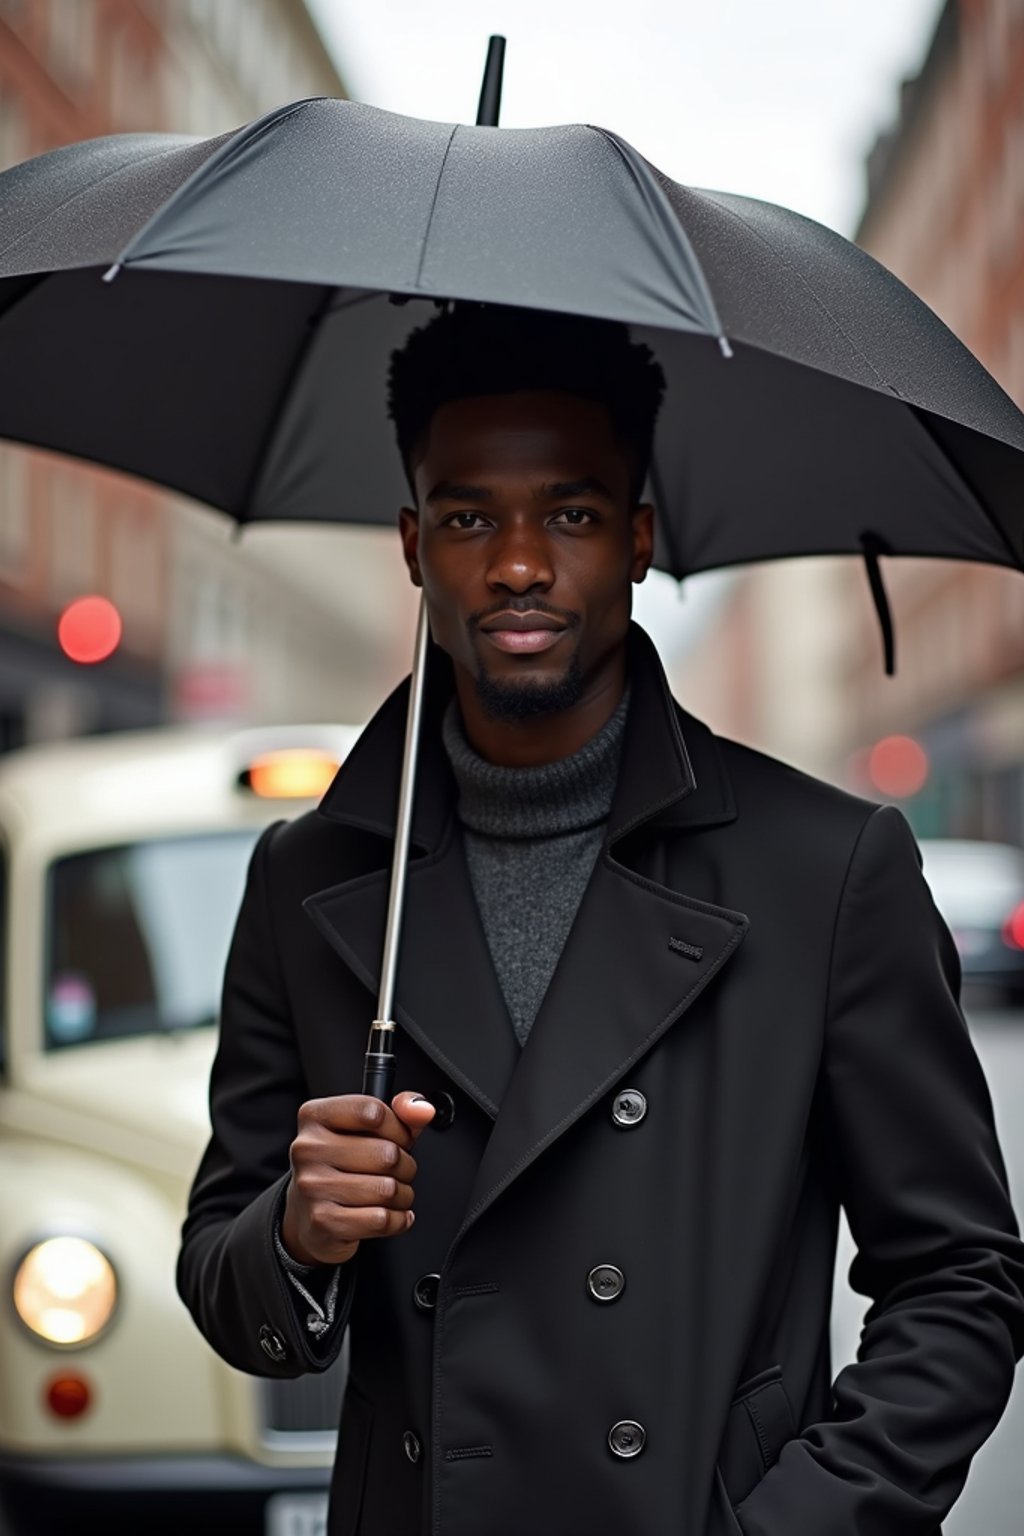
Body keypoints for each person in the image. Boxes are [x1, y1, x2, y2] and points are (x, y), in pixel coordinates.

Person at [177, 304, 1024, 1536]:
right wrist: (297, 1236)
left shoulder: (825, 869)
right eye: (469, 517)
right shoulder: (308, 878)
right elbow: (223, 1279)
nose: (518, 564)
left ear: (635, 538)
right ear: (414, 546)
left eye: (569, 515)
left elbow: (959, 1279)